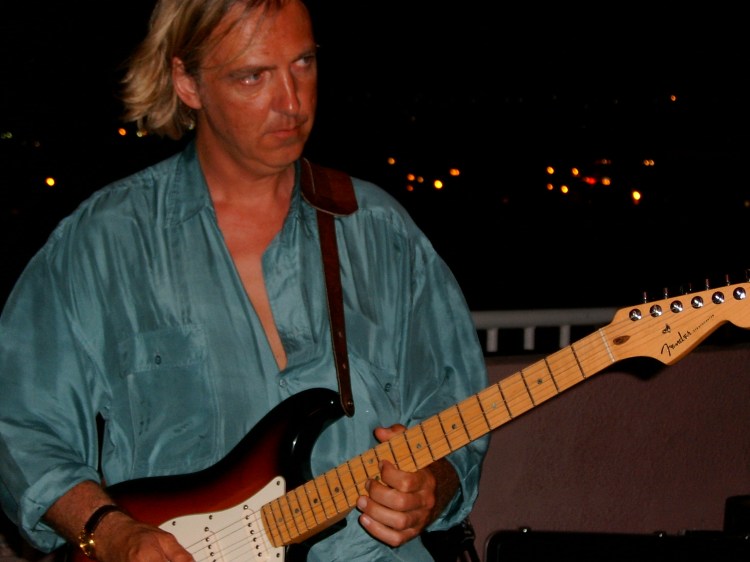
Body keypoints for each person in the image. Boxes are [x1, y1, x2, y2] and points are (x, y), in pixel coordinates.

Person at [0, 0, 489, 560]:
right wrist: (110, 532)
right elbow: (19, 426)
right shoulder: (105, 241)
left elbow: (456, 410)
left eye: (303, 63)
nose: (292, 101)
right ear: (188, 82)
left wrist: (432, 486)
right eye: (254, 76)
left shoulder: (380, 229)